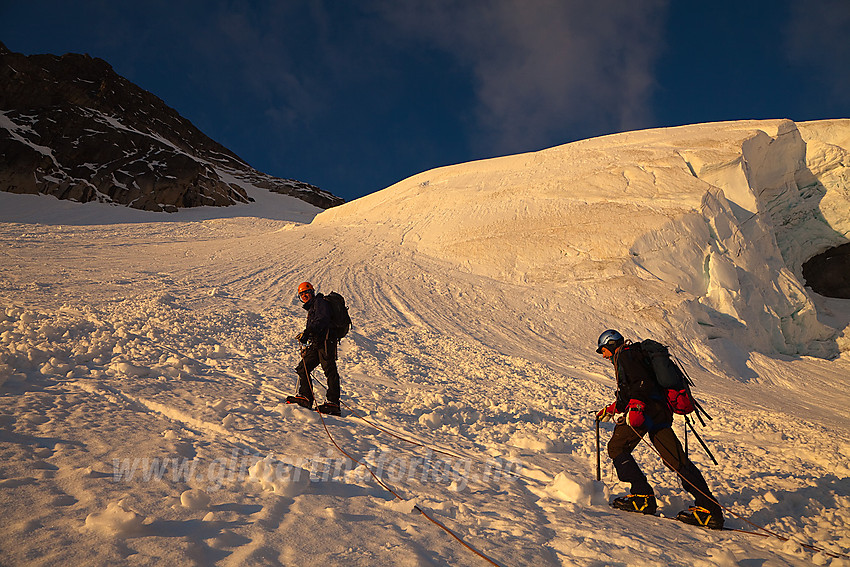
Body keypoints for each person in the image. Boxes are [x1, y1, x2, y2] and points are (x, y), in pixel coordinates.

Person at [595, 329, 724, 529]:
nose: (603, 355)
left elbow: (641, 384)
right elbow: (631, 389)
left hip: (646, 411)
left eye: (603, 350)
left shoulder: (626, 355)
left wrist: (636, 406)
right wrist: (612, 408)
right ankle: (710, 510)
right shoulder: (633, 355)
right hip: (660, 412)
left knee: (617, 447)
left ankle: (642, 496)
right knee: (676, 460)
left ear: (610, 345)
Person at [285, 282, 342, 416]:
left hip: (327, 341)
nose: (304, 296)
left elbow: (322, 319)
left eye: (306, 292)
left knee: (330, 370)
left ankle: (333, 403)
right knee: (303, 367)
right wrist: (307, 335)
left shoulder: (320, 303)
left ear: (312, 292)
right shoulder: (313, 307)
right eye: (301, 294)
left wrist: (308, 332)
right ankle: (306, 398)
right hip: (317, 343)